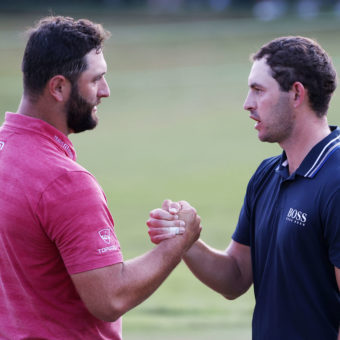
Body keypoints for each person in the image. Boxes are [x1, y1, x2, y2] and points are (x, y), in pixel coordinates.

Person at [0, 16, 202, 339]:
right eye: (96, 80)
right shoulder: (65, 182)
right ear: (59, 87)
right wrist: (180, 239)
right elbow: (111, 296)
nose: (106, 91)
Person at [147, 36, 340, 339]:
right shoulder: (267, 175)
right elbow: (235, 277)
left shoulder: (336, 180)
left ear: (297, 93)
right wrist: (186, 241)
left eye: (258, 90)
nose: (246, 103)